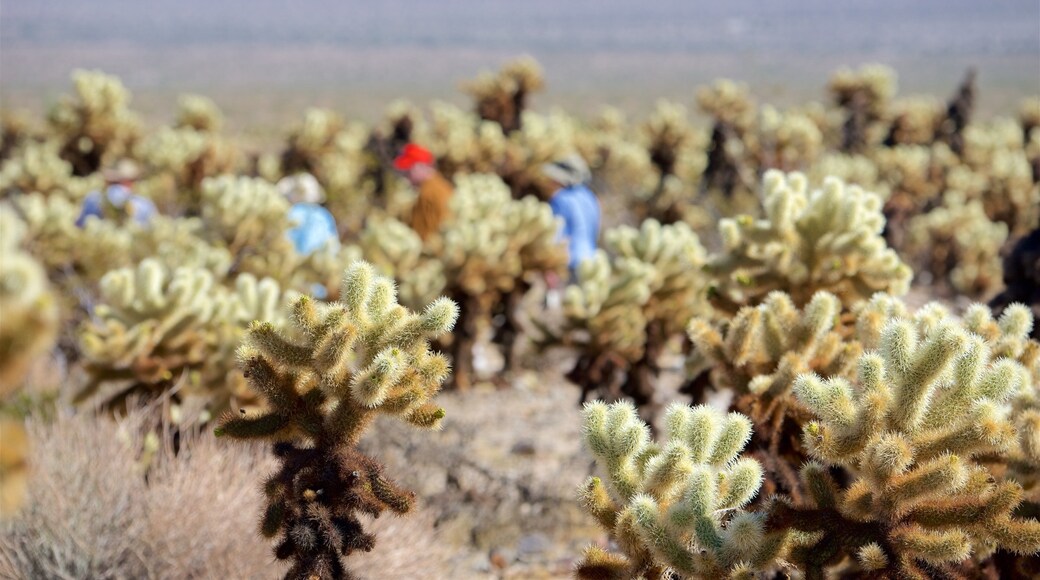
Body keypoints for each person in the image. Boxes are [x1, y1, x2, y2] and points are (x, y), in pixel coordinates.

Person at [542, 153, 601, 281]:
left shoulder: (561, 198)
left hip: (569, 262)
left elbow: (556, 232)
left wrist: (550, 264)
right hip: (590, 261)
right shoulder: (590, 198)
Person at [394, 143, 454, 241]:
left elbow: (420, 234)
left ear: (421, 166)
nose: (406, 176)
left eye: (408, 169)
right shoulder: (441, 184)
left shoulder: (428, 193)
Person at [76, 160, 157, 227]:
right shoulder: (145, 204)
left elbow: (79, 226)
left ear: (108, 181)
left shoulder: (92, 199)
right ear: (129, 182)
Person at [277, 173, 339, 256]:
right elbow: (334, 246)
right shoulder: (325, 216)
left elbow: (283, 241)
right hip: (321, 264)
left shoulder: (293, 212)